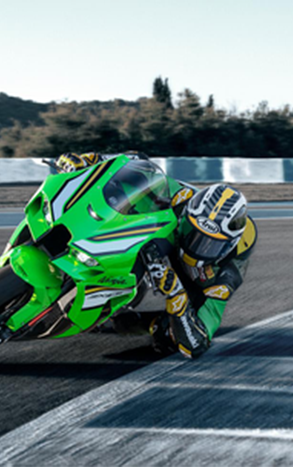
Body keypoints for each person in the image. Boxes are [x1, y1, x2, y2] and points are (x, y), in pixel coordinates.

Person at [53, 152, 258, 359]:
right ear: (188, 214)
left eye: (208, 244)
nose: (196, 246)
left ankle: (141, 322)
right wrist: (88, 161)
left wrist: (177, 296)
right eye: (192, 232)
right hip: (168, 241)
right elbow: (133, 164)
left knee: (170, 337)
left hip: (191, 282)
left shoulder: (226, 276)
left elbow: (196, 345)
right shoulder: (179, 197)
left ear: (227, 246)